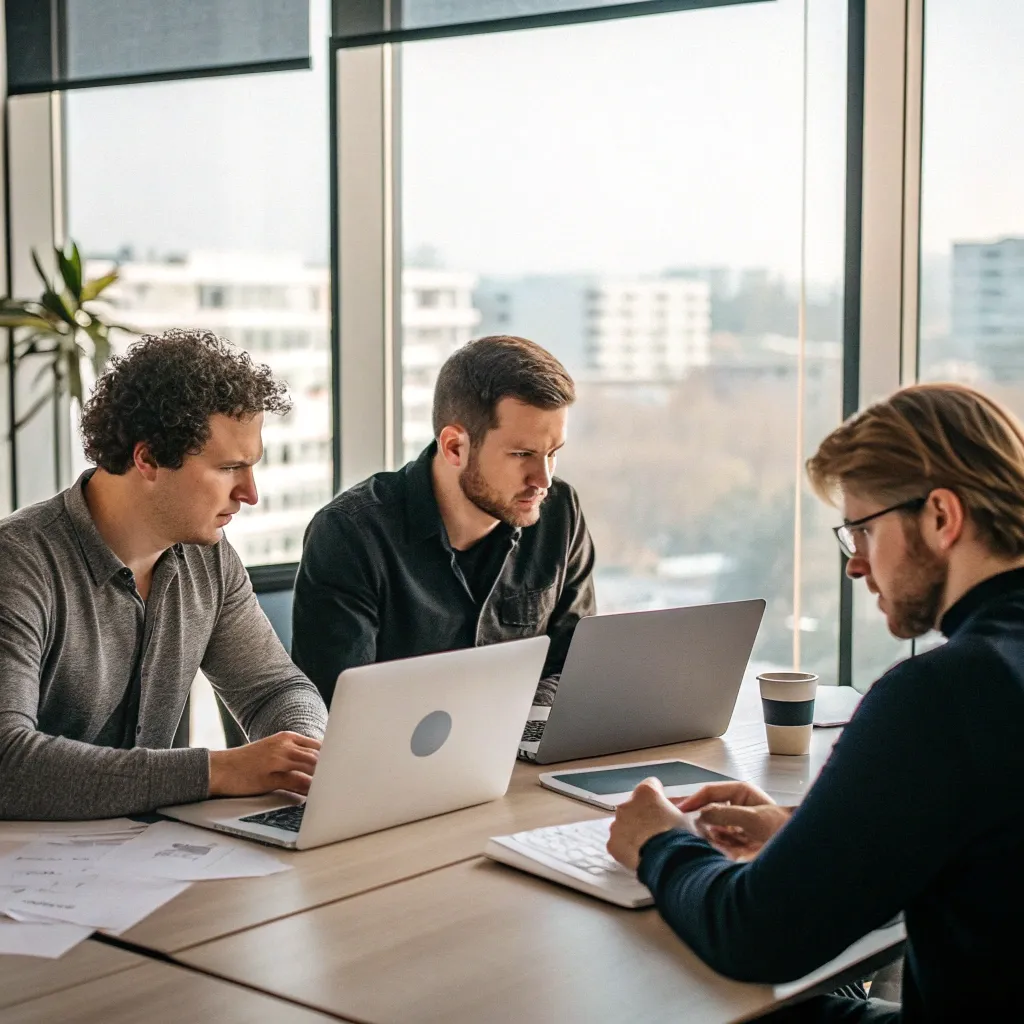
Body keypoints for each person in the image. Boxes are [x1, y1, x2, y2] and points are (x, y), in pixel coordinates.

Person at [608, 382, 1024, 1020]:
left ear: (942, 518)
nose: (856, 566)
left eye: (862, 530)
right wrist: (814, 842)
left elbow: (757, 937)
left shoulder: (948, 692)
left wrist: (658, 841)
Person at [0, 329, 327, 821]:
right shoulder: (19, 562)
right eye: (229, 468)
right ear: (148, 458)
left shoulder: (210, 559)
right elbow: (8, 763)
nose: (250, 493)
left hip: (153, 861)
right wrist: (216, 772)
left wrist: (307, 756)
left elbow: (274, 690)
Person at [293, 335, 596, 746]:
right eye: (522, 454)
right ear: (455, 446)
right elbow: (342, 715)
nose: (542, 480)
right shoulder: (350, 535)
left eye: (553, 452)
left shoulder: (560, 512)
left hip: (516, 766)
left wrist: (513, 727)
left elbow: (575, 668)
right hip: (398, 775)